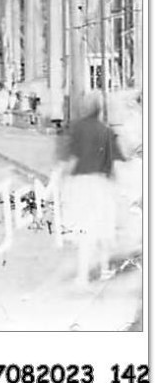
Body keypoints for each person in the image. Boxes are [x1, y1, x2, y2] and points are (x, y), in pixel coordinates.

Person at [58, 96, 125, 285]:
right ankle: (104, 270)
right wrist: (116, 190)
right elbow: (116, 163)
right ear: (100, 110)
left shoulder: (77, 128)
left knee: (84, 232)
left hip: (81, 185)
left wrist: (64, 182)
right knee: (104, 229)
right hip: (101, 184)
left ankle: (83, 277)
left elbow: (70, 159)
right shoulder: (107, 131)